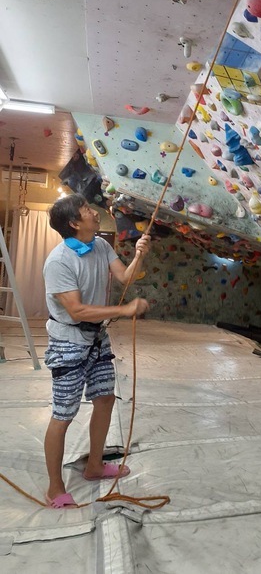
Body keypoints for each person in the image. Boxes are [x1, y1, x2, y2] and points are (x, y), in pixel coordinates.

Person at [43, 194, 150, 509]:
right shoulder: (59, 261)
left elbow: (126, 277)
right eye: (87, 210)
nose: (94, 212)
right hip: (68, 342)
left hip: (97, 338)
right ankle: (54, 487)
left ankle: (93, 466)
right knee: (63, 414)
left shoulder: (101, 246)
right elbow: (76, 311)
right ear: (75, 223)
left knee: (104, 399)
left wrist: (139, 255)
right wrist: (125, 310)